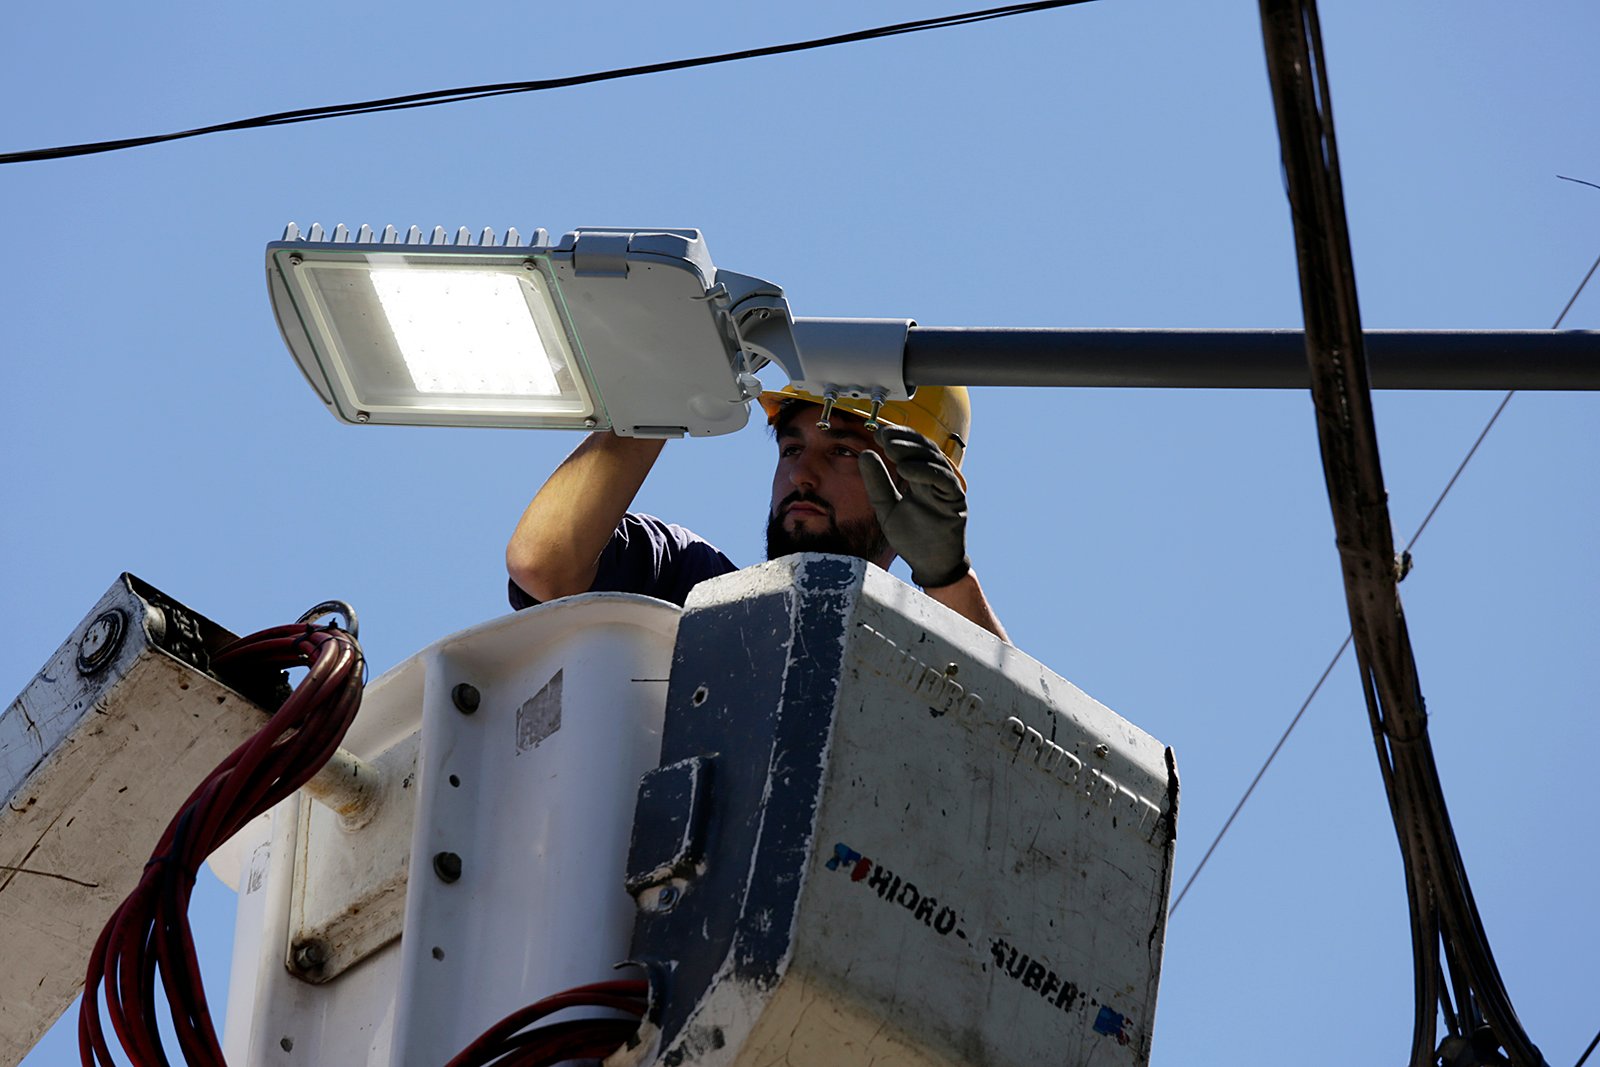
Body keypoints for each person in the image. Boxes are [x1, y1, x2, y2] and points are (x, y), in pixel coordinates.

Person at [505, 385, 1008, 641]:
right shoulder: (694, 589)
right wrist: (668, 394)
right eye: (791, 450)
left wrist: (948, 578)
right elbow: (544, 563)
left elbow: (1018, 742)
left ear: (924, 487)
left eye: (844, 453)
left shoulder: (918, 664)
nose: (802, 477)